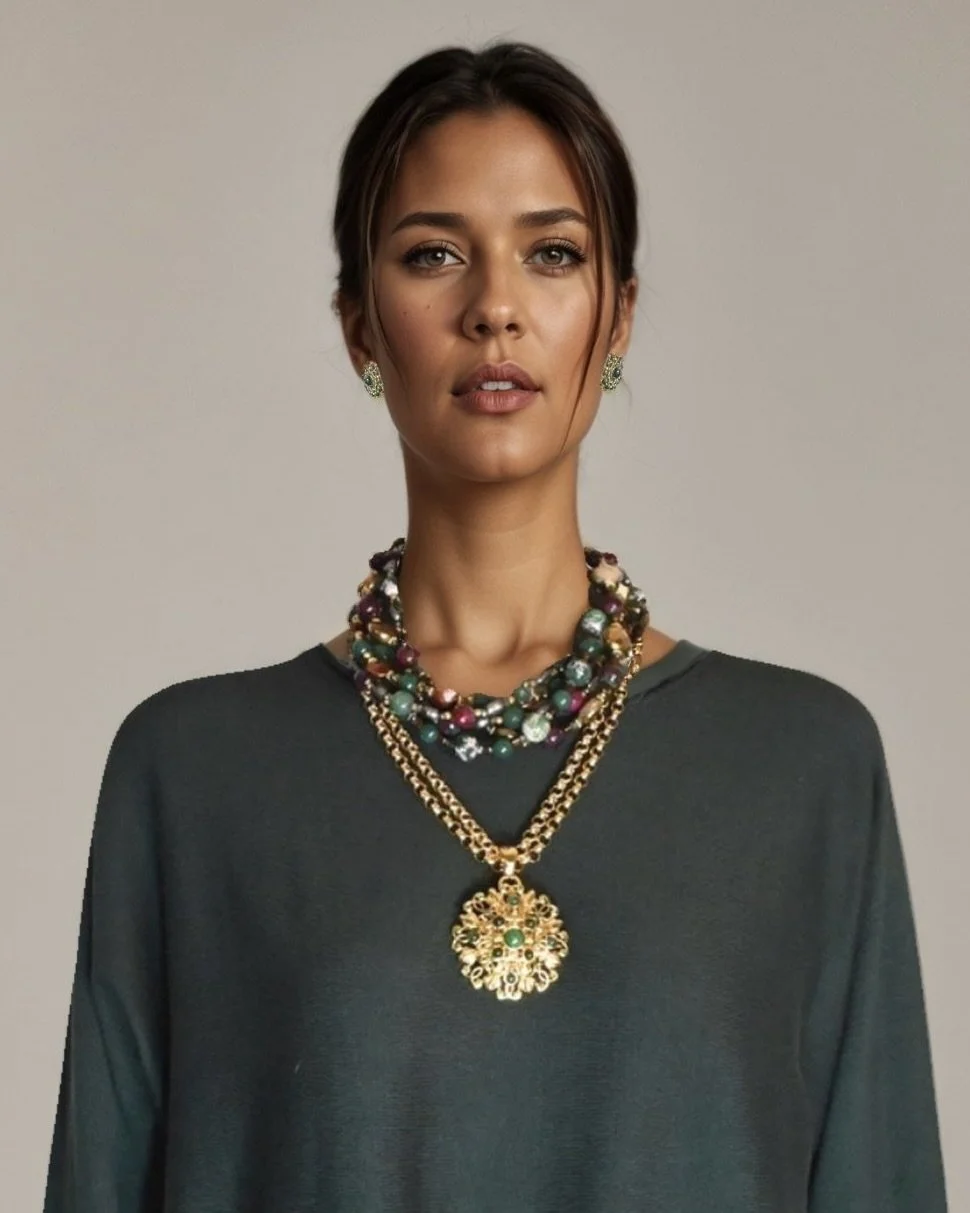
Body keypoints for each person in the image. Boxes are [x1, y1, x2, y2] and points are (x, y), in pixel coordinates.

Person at [43, 40, 948, 1212]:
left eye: (553, 254)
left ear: (615, 317)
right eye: (432, 256)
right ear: (359, 325)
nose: (495, 309)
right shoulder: (192, 772)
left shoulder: (802, 765)